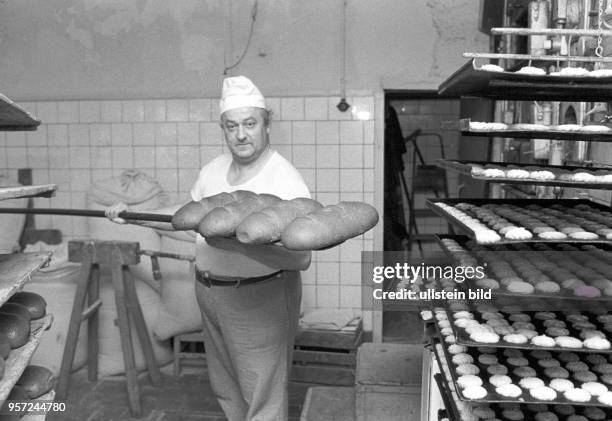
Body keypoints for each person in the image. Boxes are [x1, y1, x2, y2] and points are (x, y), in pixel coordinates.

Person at [106, 75, 312, 421]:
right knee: (226, 387)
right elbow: (190, 227)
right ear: (223, 127)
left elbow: (301, 256)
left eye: (250, 124)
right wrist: (134, 217)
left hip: (259, 296)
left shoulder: (284, 179)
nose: (241, 134)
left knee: (262, 395)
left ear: (267, 124)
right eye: (232, 126)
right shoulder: (213, 171)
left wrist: (241, 241)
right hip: (211, 293)